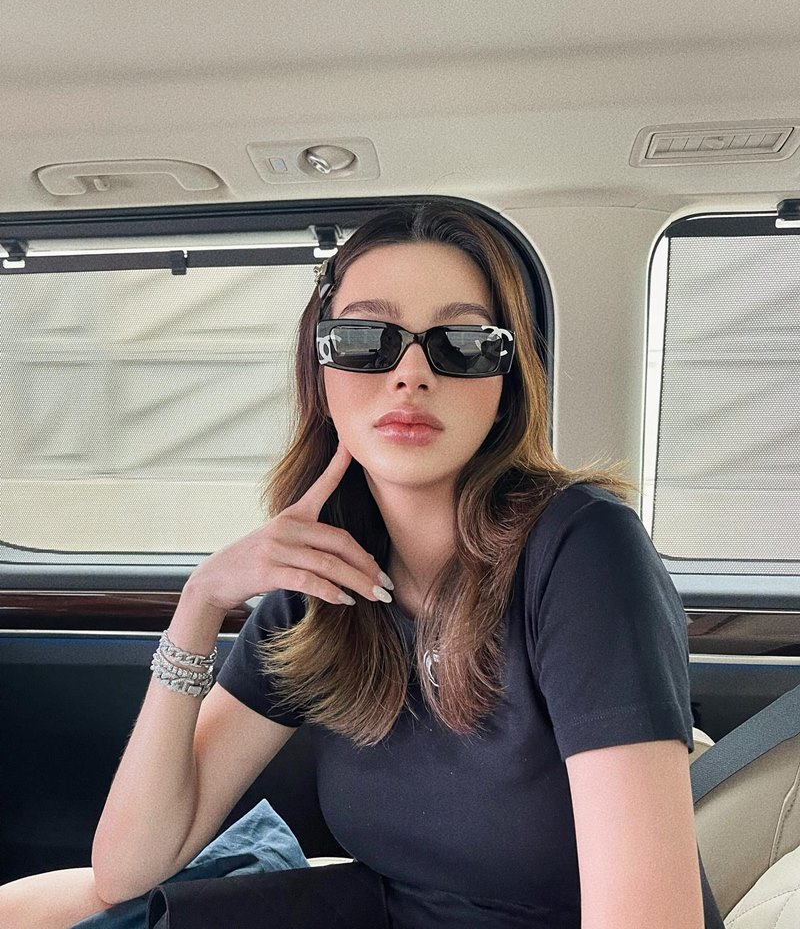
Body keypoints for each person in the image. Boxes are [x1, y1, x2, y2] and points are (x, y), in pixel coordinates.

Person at [0, 201, 710, 928]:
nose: (410, 374)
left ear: (505, 384)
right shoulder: (321, 580)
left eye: (463, 343)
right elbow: (130, 865)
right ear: (322, 374)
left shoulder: (585, 550)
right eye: (367, 339)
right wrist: (201, 602)